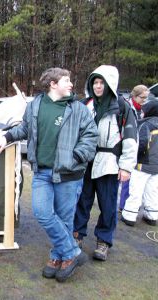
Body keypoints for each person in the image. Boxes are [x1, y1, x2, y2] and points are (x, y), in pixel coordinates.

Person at [0, 67, 98, 282]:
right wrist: (6, 137)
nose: (70, 84)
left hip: (69, 174)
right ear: (53, 84)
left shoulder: (78, 109)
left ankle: (58, 257)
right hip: (41, 172)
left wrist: (75, 157)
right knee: (42, 212)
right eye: (66, 80)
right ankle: (73, 253)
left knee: (65, 218)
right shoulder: (36, 105)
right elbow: (25, 129)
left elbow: (91, 136)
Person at [73, 65, 138, 261]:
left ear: (110, 84)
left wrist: (126, 166)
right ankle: (77, 235)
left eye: (102, 82)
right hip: (86, 161)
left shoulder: (122, 107)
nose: (98, 86)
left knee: (108, 204)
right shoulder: (86, 105)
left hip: (109, 162)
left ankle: (103, 240)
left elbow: (130, 138)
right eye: (95, 82)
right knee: (82, 201)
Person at [121, 100, 158, 226]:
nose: (141, 113)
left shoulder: (146, 125)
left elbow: (140, 144)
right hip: (156, 167)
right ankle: (152, 216)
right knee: (153, 192)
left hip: (142, 164)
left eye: (143, 111)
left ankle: (129, 216)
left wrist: (133, 158)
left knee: (136, 191)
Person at [118, 85, 150, 212]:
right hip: (125, 143)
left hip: (137, 144)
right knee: (125, 175)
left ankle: (125, 204)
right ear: (134, 96)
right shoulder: (126, 107)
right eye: (142, 97)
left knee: (130, 176)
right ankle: (122, 205)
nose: (144, 100)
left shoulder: (142, 110)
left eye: (146, 98)